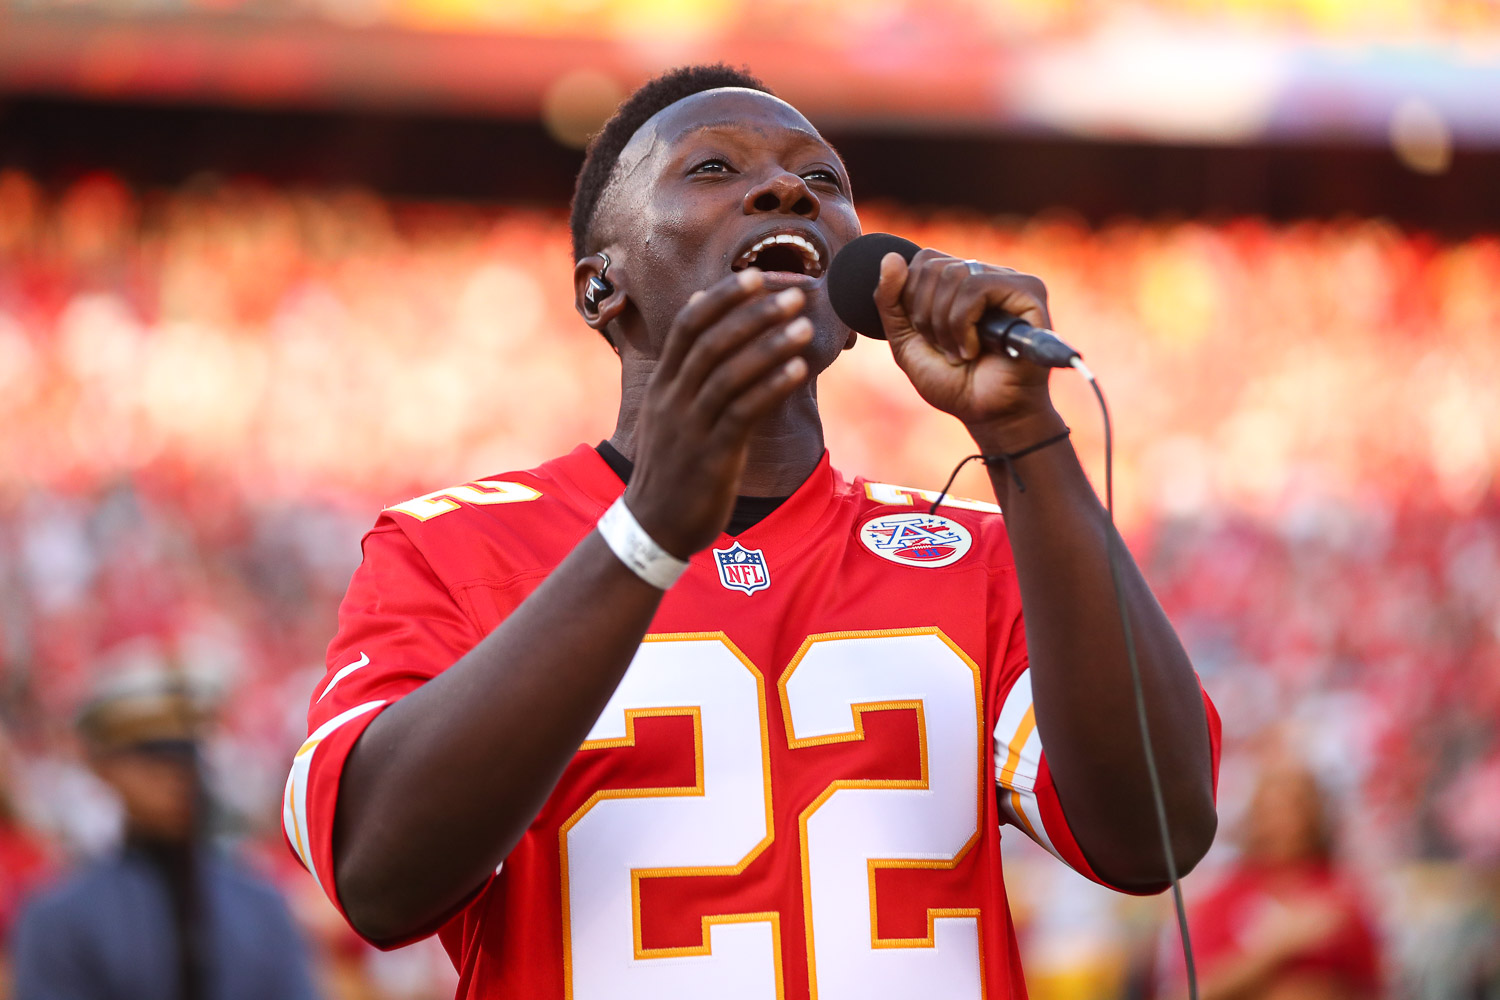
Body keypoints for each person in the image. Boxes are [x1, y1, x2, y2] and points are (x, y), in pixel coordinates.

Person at [283, 64, 1222, 999]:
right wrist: (647, 536)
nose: (784, 189)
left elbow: (1153, 838)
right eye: (711, 169)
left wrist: (1025, 436)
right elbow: (378, 878)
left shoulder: (983, 553)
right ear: (601, 287)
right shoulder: (454, 548)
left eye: (823, 182)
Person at [12, 668, 320, 1000]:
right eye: (153, 760)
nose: (177, 777)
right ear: (105, 768)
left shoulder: (262, 905)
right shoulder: (61, 917)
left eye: (187, 759)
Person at [1155, 761, 1380, 1000]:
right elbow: (1190, 991)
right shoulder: (1225, 897)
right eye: (1271, 810)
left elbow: (1371, 984)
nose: (1283, 823)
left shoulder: (1339, 896)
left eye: (1294, 808)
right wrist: (1279, 946)